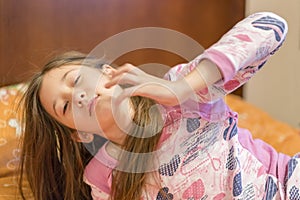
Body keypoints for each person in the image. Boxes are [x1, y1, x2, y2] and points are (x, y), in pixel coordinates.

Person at [18, 12, 300, 200]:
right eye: (65, 106)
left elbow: (271, 26)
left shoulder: (180, 92)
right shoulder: (102, 177)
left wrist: (180, 88)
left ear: (107, 71)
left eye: (77, 80)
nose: (77, 96)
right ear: (80, 135)